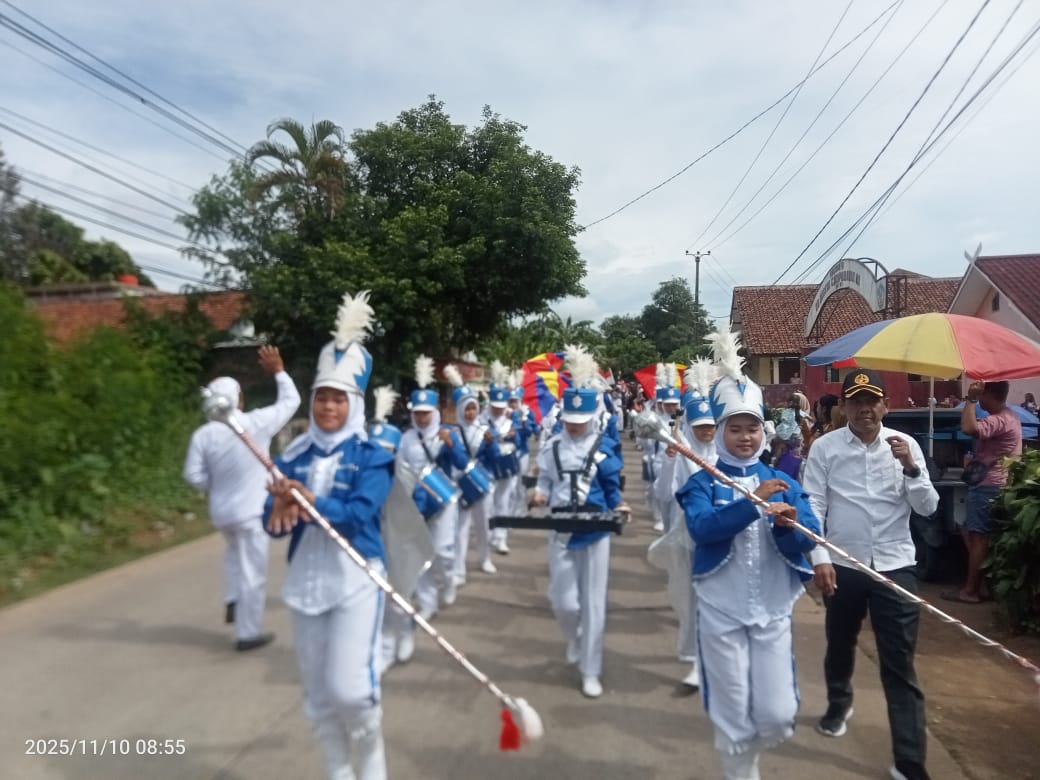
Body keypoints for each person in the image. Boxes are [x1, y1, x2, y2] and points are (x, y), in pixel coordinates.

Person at [263, 291, 394, 780]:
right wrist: (278, 509)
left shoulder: (373, 456)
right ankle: (338, 771)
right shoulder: (293, 455)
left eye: (339, 398)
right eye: (322, 396)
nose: (328, 406)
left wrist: (313, 503)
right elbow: (273, 522)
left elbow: (360, 514)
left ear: (354, 402)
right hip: (306, 583)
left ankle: (372, 757)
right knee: (318, 696)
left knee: (352, 691)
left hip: (357, 578)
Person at [677, 330, 819, 780]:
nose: (744, 437)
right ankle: (742, 771)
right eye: (734, 428)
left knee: (777, 713)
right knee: (733, 709)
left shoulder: (783, 479)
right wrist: (752, 504)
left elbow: (811, 535)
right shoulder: (702, 481)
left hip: (772, 608)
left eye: (752, 427)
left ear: (764, 430)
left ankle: (748, 757)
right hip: (721, 608)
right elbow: (702, 529)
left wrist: (789, 526)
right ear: (719, 431)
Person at [803, 369, 939, 780]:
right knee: (840, 642)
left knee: (898, 661)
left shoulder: (906, 446)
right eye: (856, 401)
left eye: (872, 401)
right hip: (844, 564)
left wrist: (911, 468)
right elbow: (813, 505)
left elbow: (928, 508)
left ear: (886, 405)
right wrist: (819, 558)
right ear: (844, 407)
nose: (865, 408)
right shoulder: (825, 448)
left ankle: (909, 761)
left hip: (896, 567)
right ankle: (838, 703)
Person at [183, 344, 301, 651]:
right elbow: (291, 401)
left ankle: (233, 599)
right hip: (251, 512)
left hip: (221, 513)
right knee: (253, 573)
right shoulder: (255, 423)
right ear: (240, 400)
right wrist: (279, 372)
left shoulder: (203, 435)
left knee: (234, 554)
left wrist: (217, 484)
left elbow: (192, 475)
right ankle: (247, 633)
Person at [531, 345, 628, 699]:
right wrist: (540, 493)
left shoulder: (602, 447)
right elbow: (545, 480)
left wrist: (620, 504)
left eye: (580, 420)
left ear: (590, 417)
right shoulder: (552, 447)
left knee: (593, 601)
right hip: (560, 526)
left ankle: (591, 669)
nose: (574, 426)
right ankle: (574, 637)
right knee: (564, 601)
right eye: (570, 421)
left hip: (596, 527)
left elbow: (611, 487)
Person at [649, 358, 716, 688]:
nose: (707, 430)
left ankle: (711, 658)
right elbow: (663, 494)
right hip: (687, 534)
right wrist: (668, 462)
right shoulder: (679, 449)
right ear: (689, 423)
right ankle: (694, 656)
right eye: (700, 425)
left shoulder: (725, 452)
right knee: (691, 599)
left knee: (715, 599)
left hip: (720, 535)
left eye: (711, 424)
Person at [945, 380, 1022, 604]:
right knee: (973, 533)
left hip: (988, 485)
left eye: (982, 396)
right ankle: (984, 585)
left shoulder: (1000, 419)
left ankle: (970, 591)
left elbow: (969, 428)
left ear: (988, 394)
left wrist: (970, 398)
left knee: (979, 537)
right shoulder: (1010, 417)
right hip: (995, 484)